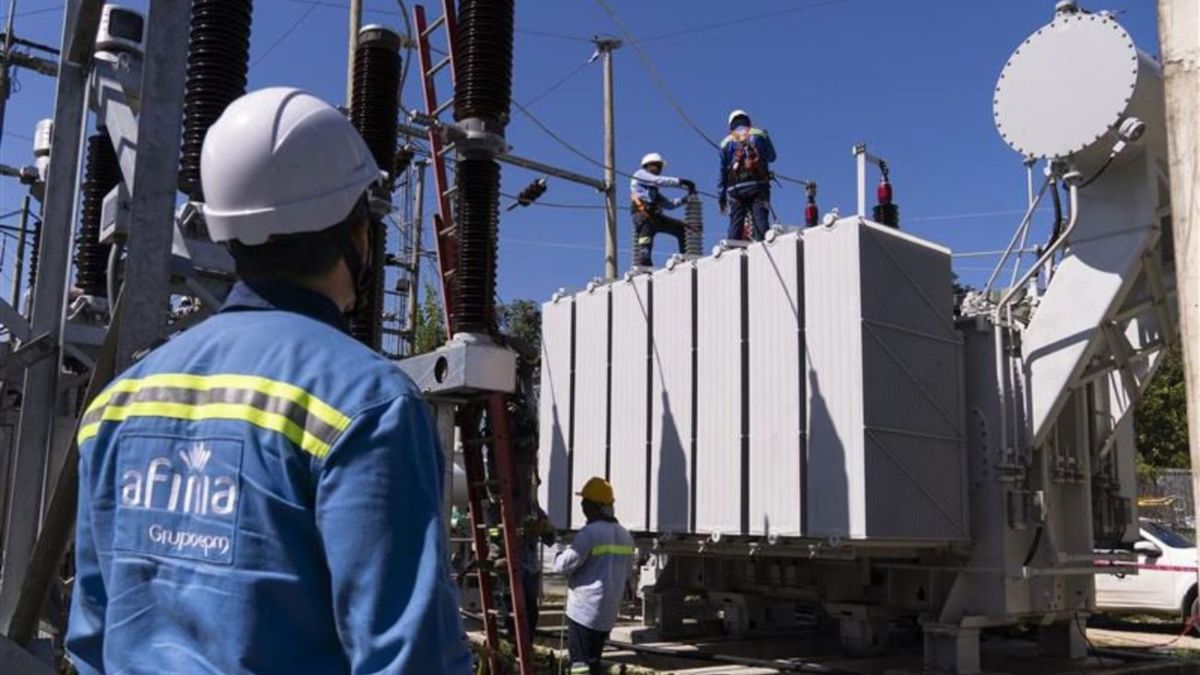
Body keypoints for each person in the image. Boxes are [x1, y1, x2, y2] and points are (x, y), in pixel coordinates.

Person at [66, 87, 472, 675]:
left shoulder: (115, 405)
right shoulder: (369, 405)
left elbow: (91, 639)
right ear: (356, 234)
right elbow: (409, 659)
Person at [553, 477, 636, 675]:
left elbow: (562, 566)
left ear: (596, 506)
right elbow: (627, 574)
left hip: (584, 611)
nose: (582, 506)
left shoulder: (589, 533)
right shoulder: (625, 535)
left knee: (580, 665)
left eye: (585, 502)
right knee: (593, 662)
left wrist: (556, 549)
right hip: (607, 613)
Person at [718, 109, 777, 241]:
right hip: (758, 185)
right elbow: (772, 157)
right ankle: (765, 242)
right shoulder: (760, 133)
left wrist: (721, 197)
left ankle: (732, 248)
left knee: (735, 224)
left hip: (735, 189)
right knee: (760, 219)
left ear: (730, 125)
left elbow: (722, 172)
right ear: (748, 120)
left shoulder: (725, 143)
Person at [630, 152, 696, 267]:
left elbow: (669, 205)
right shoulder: (640, 174)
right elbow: (658, 180)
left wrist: (684, 199)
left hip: (654, 216)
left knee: (681, 229)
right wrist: (681, 182)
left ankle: (685, 257)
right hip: (642, 215)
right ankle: (645, 264)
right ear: (649, 165)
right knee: (645, 241)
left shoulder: (652, 190)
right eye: (658, 166)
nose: (660, 169)